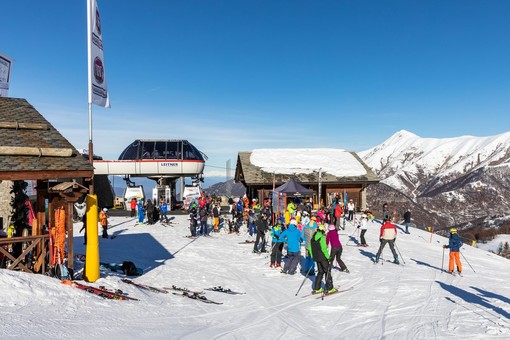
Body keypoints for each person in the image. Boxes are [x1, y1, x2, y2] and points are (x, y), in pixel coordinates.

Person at [308, 224, 336, 295]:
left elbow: (309, 248)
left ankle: (317, 288)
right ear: (322, 230)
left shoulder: (313, 237)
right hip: (323, 257)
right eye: (324, 231)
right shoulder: (321, 238)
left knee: (320, 272)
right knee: (327, 271)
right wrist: (328, 257)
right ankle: (329, 288)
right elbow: (324, 249)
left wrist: (312, 256)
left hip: (317, 258)